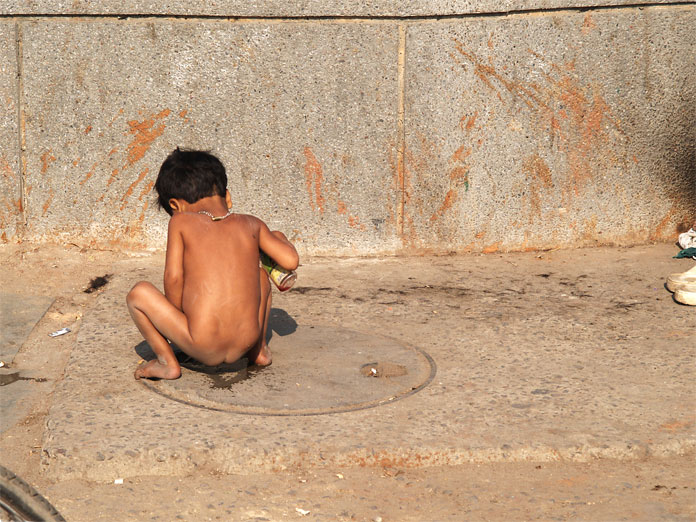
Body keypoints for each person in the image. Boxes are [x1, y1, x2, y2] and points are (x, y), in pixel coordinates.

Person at [126, 148, 299, 380]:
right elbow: (290, 261)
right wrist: (279, 237)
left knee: (138, 294)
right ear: (227, 196)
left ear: (175, 206)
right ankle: (258, 351)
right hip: (245, 340)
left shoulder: (180, 222)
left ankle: (166, 363)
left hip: (202, 344)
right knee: (260, 275)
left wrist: (179, 318)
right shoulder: (252, 224)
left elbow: (173, 278)